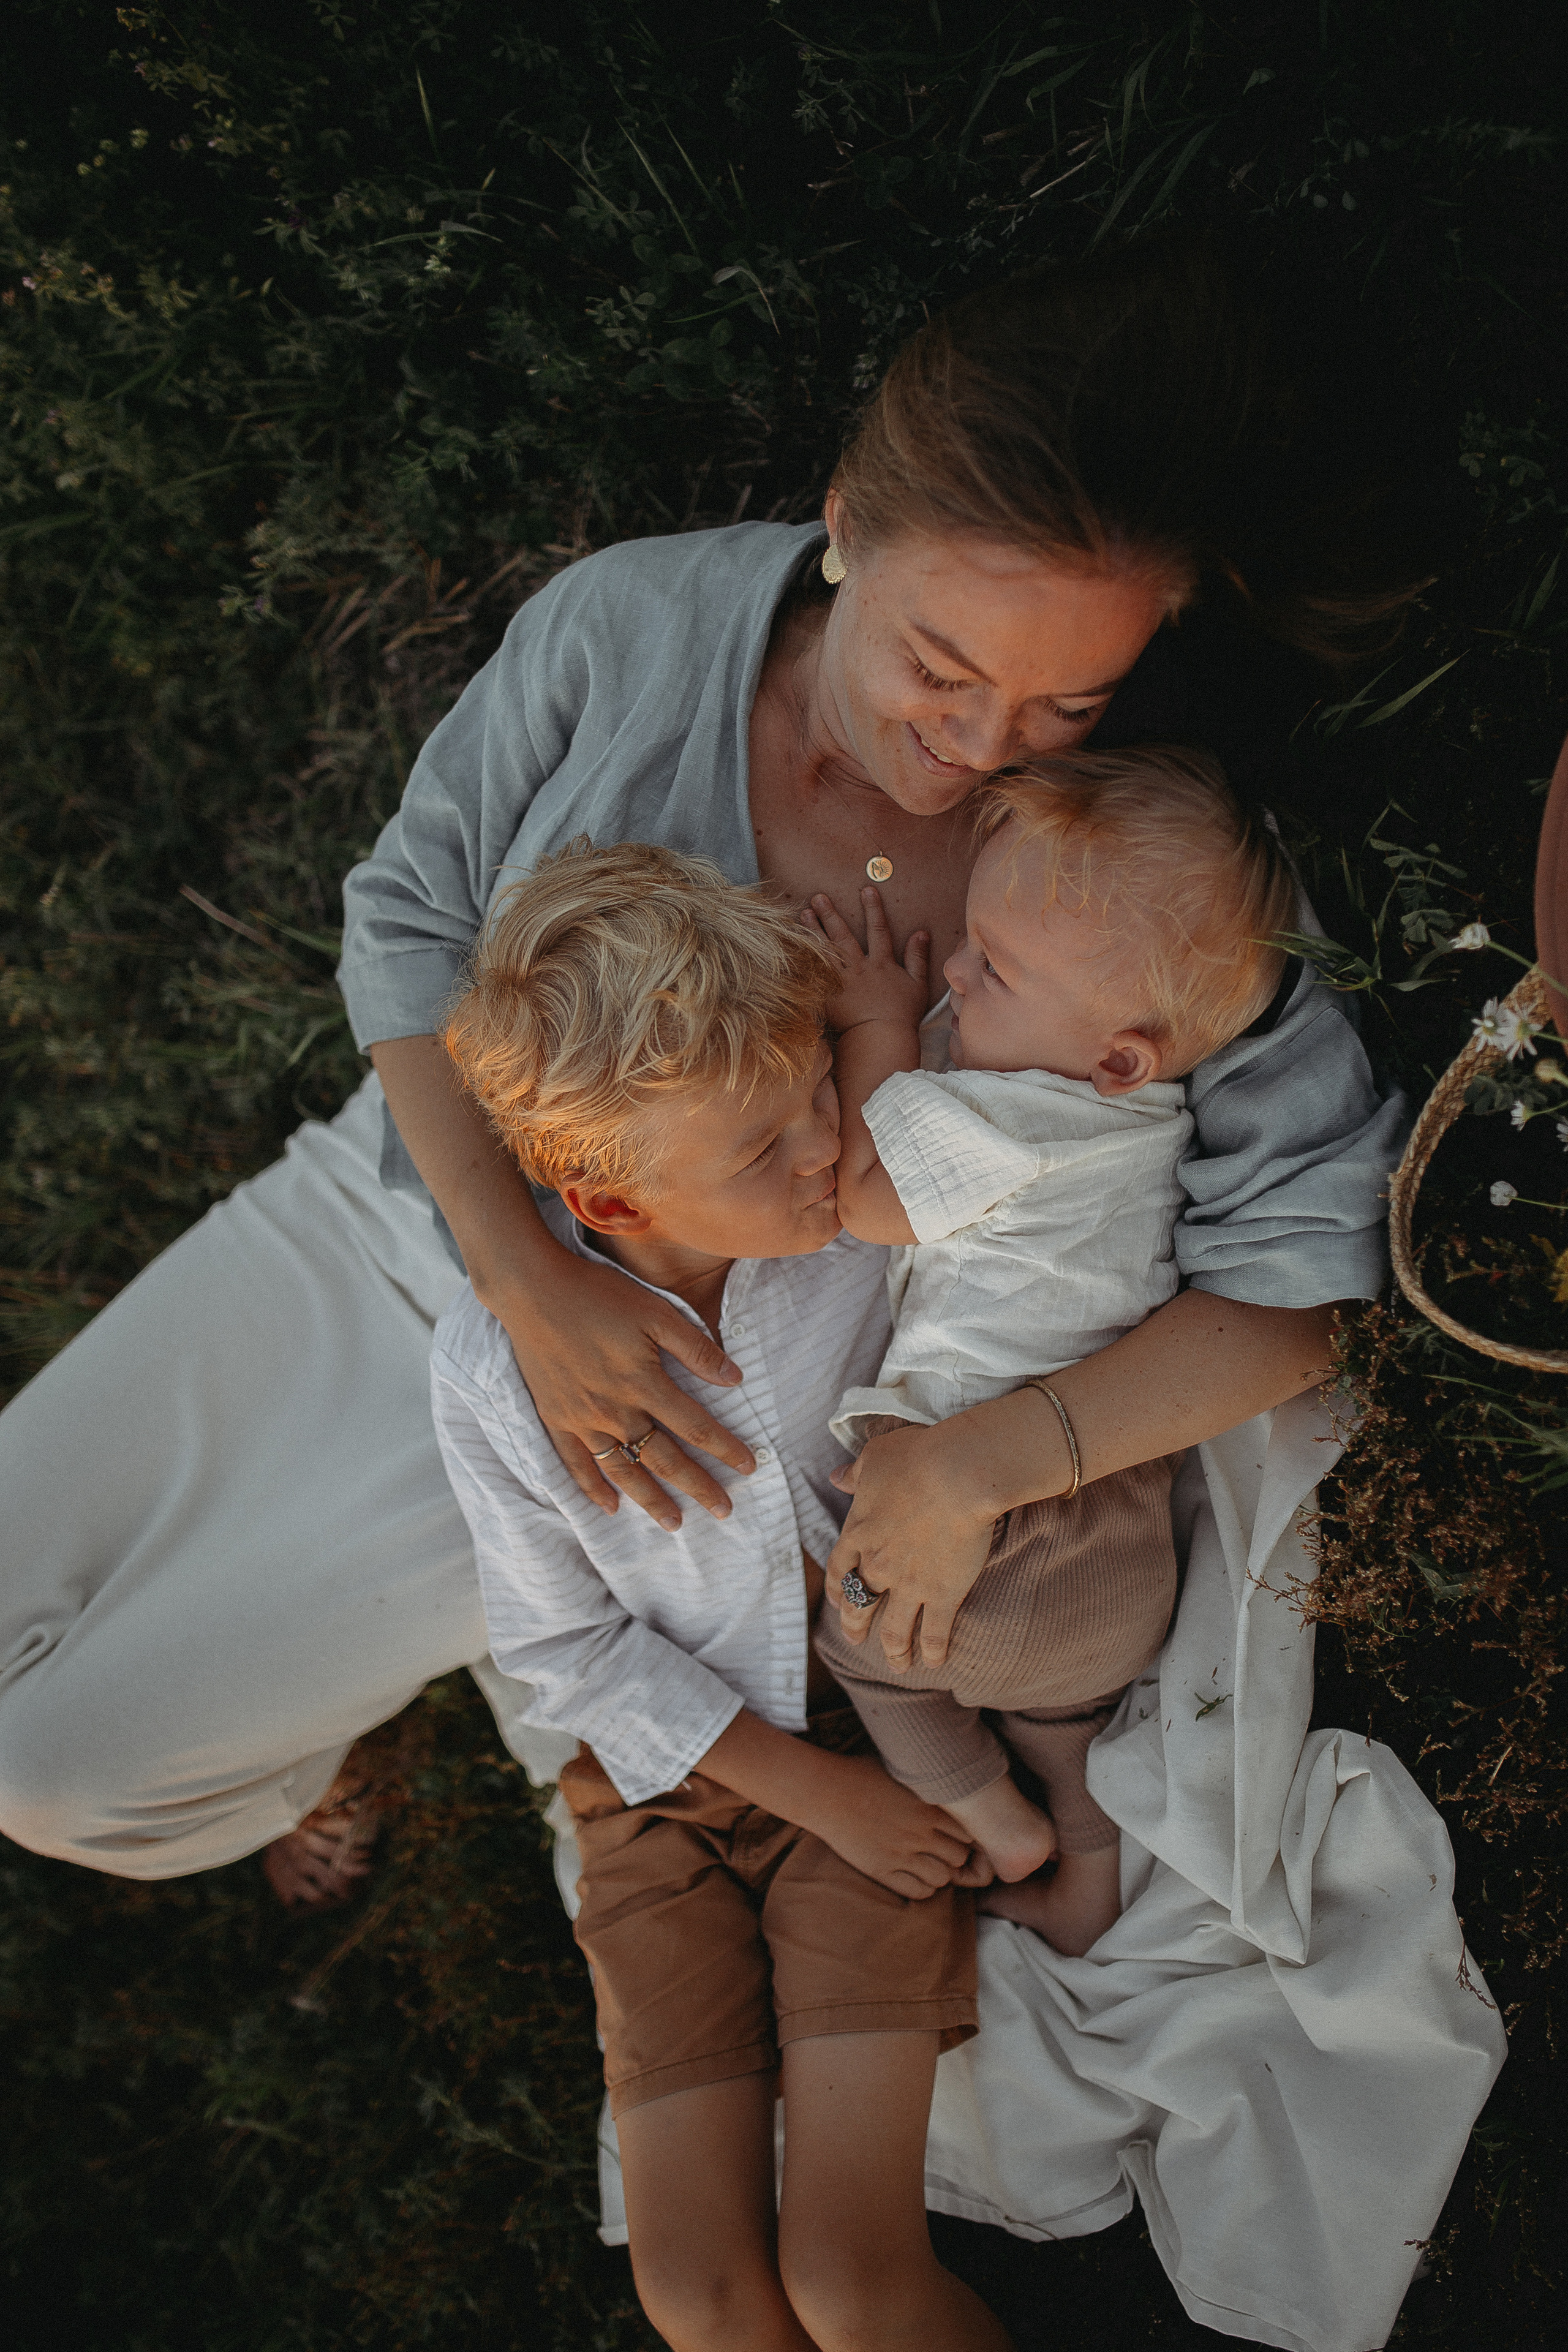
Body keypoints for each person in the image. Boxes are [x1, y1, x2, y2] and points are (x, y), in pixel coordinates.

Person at [0, 237, 1412, 1894]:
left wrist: (986, 1464)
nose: (975, 752)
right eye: (938, 669)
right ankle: (336, 1689)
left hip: (657, 1431)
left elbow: (1296, 1282)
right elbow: (407, 921)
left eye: (1065, 704)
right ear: (845, 525)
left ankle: (309, 1739)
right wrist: (524, 1275)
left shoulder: (1137, 869)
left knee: (66, 1779)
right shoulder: (640, 623)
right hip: (398, 1210)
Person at [430, 840, 1011, 2352]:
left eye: (817, 1086)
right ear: (608, 1204)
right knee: (697, 2298)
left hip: (874, 1732)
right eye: (763, 1147)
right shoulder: (496, 1375)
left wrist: (870, 1029)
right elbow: (564, 1651)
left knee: (848, 2281)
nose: (824, 1147)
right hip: (664, 1793)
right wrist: (809, 1795)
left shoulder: (849, 1227)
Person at [806, 748, 1297, 1955]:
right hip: (1112, 1546)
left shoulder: (1006, 1118)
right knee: (1065, 1719)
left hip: (984, 1534)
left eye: (993, 967)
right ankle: (1086, 1870)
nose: (954, 973)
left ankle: (996, 1820)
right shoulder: (1149, 1123)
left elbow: (864, 1199)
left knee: (863, 1655)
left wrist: (876, 1017)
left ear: (1117, 1055)